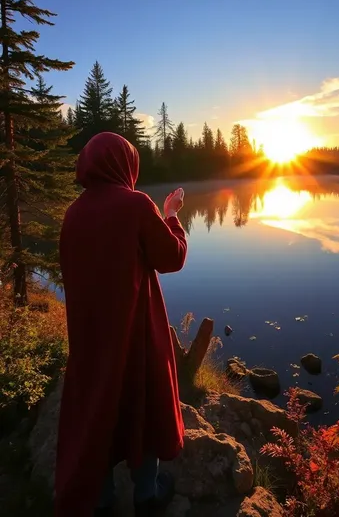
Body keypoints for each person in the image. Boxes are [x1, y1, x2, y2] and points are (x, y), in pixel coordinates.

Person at [55, 132, 187, 517]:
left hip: (90, 338)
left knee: (96, 407)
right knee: (141, 398)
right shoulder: (135, 205)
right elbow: (172, 257)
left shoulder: (73, 213)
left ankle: (101, 500)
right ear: (125, 165)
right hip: (134, 334)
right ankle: (147, 494)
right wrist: (172, 216)